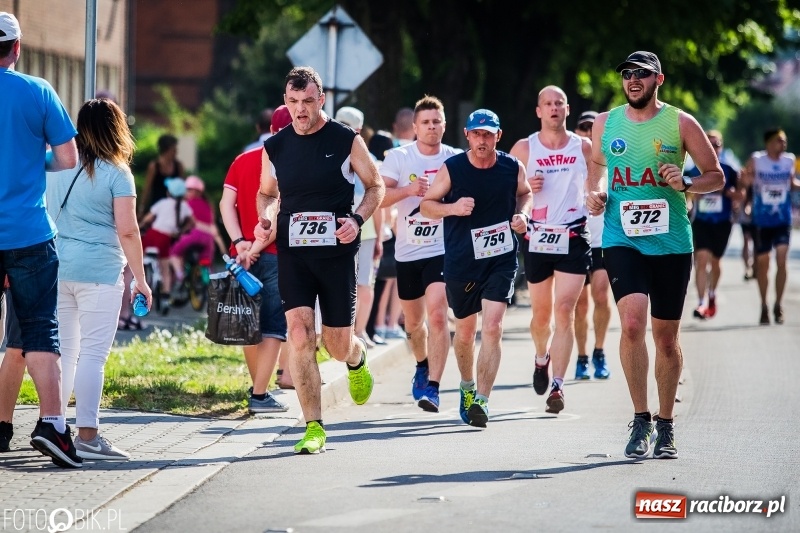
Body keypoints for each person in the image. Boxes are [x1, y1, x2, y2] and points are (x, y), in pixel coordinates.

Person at [586, 51, 724, 459]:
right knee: (631, 324)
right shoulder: (605, 123)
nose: (633, 80)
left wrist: (687, 182)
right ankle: (641, 419)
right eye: (627, 74)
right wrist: (596, 193)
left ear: (658, 79)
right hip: (621, 237)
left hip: (671, 242)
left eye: (642, 74)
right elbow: (596, 168)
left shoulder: (681, 123)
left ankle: (666, 423)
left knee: (665, 339)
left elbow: (716, 176)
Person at [254, 67, 385, 454]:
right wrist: (267, 217)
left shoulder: (345, 140)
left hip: (337, 255)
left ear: (321, 100)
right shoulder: (275, 146)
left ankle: (356, 357)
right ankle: (313, 426)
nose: (301, 109)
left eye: (308, 101)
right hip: (294, 254)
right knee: (298, 334)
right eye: (293, 102)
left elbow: (375, 185)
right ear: (285, 101)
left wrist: (356, 220)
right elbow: (267, 193)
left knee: (336, 345)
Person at [45, 98, 152, 460]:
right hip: (100, 272)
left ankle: (55, 429)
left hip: (57, 267)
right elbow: (128, 231)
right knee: (92, 355)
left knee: (64, 353)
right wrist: (141, 279)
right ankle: (88, 436)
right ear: (116, 129)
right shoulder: (117, 173)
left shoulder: (56, 166)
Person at [0, 11, 83, 468]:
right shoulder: (38, 91)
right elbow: (68, 157)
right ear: (16, 48)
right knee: (38, 330)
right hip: (29, 234)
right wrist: (36, 161)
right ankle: (52, 425)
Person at [420, 109, 531, 427]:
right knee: (466, 333)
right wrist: (453, 208)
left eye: (488, 134)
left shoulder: (512, 167)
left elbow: (525, 193)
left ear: (498, 136)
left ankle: (482, 399)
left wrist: (523, 215)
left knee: (493, 326)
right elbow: (426, 206)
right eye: (477, 134)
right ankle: (467, 386)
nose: (482, 140)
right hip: (462, 261)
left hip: (500, 259)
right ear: (467, 135)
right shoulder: (453, 168)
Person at [510, 86, 593, 415]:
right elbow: (506, 190)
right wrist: (525, 186)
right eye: (548, 103)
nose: (554, 108)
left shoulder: (583, 146)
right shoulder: (524, 147)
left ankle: (558, 385)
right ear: (539, 111)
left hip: (573, 234)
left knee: (565, 311)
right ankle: (541, 357)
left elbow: (599, 180)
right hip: (538, 238)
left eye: (559, 103)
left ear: (567, 109)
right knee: (541, 316)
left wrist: (598, 196)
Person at [380, 95, 461, 412]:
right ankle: (422, 363)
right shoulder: (399, 157)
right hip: (408, 253)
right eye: (425, 122)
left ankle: (434, 388)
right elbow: (380, 196)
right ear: (414, 127)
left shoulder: (456, 158)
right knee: (414, 324)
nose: (431, 127)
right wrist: (410, 190)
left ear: (444, 125)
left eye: (436, 121)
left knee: (438, 314)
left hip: (442, 250)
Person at [220, 104, 294, 413]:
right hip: (276, 255)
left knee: (248, 322)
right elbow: (280, 215)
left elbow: (226, 204)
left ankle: (258, 387)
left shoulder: (243, 159)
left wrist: (240, 244)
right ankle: (260, 395)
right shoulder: (291, 163)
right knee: (274, 325)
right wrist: (255, 248)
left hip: (241, 257)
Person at [334, 106, 384, 349]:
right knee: (362, 282)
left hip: (339, 228)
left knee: (346, 283)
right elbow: (378, 201)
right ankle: (357, 332)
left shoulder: (326, 149)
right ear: (360, 129)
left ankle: (349, 333)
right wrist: (381, 236)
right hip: (364, 229)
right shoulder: (369, 157)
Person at [740, 128, 800, 325]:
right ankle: (764, 305)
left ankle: (778, 304)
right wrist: (744, 182)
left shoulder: (789, 160)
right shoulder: (757, 159)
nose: (783, 144)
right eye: (779, 141)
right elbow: (745, 181)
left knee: (782, 259)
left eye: (785, 141)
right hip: (761, 221)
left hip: (783, 220)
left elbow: (791, 183)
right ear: (768, 142)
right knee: (763, 263)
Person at [571, 111, 612, 380]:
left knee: (601, 295)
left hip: (602, 240)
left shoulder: (610, 160)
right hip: (576, 239)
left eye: (592, 127)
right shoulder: (569, 159)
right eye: (583, 127)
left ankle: (599, 351)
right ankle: (582, 357)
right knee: (580, 304)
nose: (588, 131)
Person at [687, 130, 743, 319]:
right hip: (702, 221)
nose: (713, 148)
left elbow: (740, 195)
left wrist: (728, 192)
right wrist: (692, 195)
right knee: (701, 259)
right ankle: (701, 302)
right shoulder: (693, 170)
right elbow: (684, 195)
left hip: (722, 222)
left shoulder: (730, 170)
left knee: (716, 261)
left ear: (722, 147)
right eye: (709, 144)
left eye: (716, 144)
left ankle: (712, 293)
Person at [139, 178, 194, 313]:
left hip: (153, 235)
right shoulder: (184, 207)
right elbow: (192, 223)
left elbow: (148, 219)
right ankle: (165, 298)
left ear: (169, 192)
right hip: (166, 239)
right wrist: (180, 231)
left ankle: (142, 288)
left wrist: (141, 226)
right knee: (165, 269)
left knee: (141, 261)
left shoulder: (162, 203)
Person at [168, 175, 227, 293]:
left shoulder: (187, 203)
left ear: (196, 191)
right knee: (206, 260)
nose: (187, 192)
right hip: (208, 239)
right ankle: (208, 279)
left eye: (189, 190)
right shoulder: (208, 205)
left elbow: (183, 221)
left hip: (193, 235)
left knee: (174, 253)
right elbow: (211, 223)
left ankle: (180, 275)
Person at [139, 133, 186, 218]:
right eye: (174, 149)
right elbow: (147, 188)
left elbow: (183, 188)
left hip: (174, 209)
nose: (176, 152)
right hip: (157, 208)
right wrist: (142, 208)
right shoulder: (154, 166)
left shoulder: (178, 166)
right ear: (166, 150)